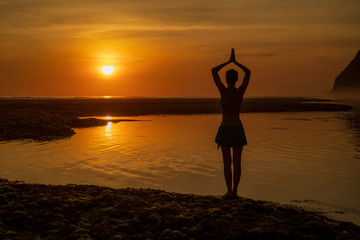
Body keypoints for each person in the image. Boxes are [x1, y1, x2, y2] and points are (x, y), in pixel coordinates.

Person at [212, 48, 251, 198]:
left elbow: (213, 71)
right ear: (236, 79)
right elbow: (248, 73)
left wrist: (228, 62)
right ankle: (235, 191)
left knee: (227, 163)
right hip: (237, 129)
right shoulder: (240, 92)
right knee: (237, 163)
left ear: (227, 79)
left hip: (226, 129)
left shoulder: (223, 91)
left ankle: (229, 191)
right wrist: (236, 62)